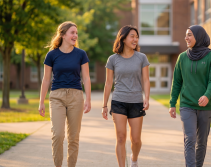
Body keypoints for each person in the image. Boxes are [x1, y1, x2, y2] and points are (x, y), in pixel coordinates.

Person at [38, 21, 91, 167]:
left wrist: (88, 99)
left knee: (73, 138)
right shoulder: (51, 55)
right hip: (57, 97)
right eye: (72, 32)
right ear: (63, 34)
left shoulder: (81, 54)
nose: (76, 35)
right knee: (58, 135)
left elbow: (86, 77)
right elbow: (46, 79)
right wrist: (41, 102)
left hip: (76, 97)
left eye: (76, 32)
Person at [169, 25, 211, 167]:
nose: (186, 38)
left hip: (205, 106)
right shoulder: (182, 57)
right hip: (187, 105)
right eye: (186, 35)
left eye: (190, 35)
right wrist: (172, 103)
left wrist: (207, 96)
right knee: (190, 138)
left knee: (202, 141)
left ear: (199, 36)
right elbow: (177, 82)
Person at [102, 25, 150, 167]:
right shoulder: (113, 59)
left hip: (136, 101)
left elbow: (146, 80)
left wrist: (146, 97)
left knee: (136, 140)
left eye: (137, 37)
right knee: (121, 137)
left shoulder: (141, 57)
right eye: (132, 36)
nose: (135, 39)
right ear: (123, 38)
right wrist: (105, 105)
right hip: (118, 101)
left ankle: (134, 159)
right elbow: (108, 83)